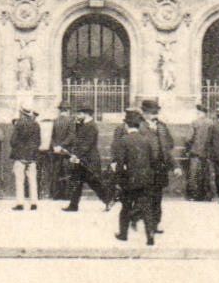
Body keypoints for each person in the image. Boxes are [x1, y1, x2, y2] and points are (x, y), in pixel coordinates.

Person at [111, 110, 159, 246]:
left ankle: (123, 234)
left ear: (127, 125)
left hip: (129, 180)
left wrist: (118, 180)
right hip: (146, 179)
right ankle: (150, 236)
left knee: (125, 206)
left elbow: (120, 163)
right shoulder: (146, 140)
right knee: (147, 208)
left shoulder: (123, 140)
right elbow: (153, 159)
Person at [61, 108, 110, 211]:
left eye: (79, 113)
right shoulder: (82, 125)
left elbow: (86, 145)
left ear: (86, 114)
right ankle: (73, 205)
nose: (77, 115)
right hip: (82, 159)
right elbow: (78, 140)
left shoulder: (92, 126)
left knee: (94, 182)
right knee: (76, 181)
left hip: (89, 160)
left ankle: (108, 200)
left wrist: (76, 155)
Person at [141, 99, 175, 234]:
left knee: (157, 197)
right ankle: (143, 221)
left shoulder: (162, 126)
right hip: (145, 166)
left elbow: (170, 144)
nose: (153, 116)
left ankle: (155, 224)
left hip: (160, 167)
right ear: (144, 113)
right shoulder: (140, 126)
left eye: (155, 113)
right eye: (150, 113)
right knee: (145, 197)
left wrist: (172, 164)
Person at [10, 107, 41, 211]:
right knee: (32, 180)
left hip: (20, 156)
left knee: (20, 180)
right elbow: (38, 142)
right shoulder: (36, 124)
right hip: (32, 157)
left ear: (21, 113)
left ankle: (20, 203)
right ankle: (34, 203)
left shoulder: (19, 124)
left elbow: (13, 141)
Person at [186, 104, 214, 201]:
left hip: (195, 152)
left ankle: (194, 195)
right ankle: (207, 195)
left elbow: (188, 138)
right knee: (206, 173)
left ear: (199, 113)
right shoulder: (211, 123)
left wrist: (188, 147)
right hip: (207, 152)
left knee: (193, 173)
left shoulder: (194, 122)